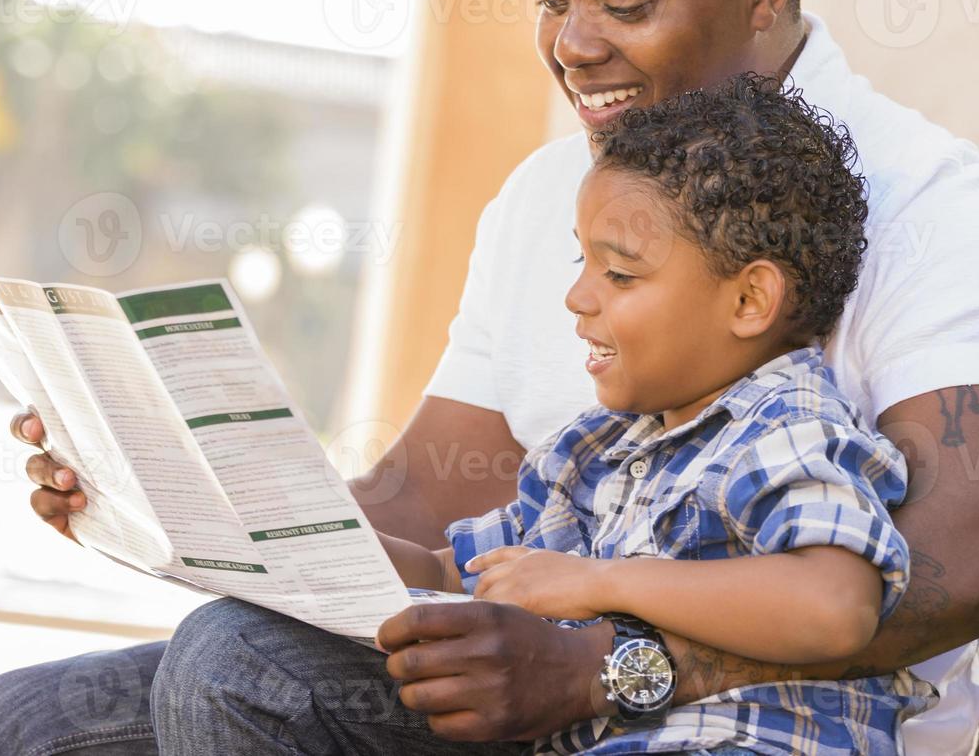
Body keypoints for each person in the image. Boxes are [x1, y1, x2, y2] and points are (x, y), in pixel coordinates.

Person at [0, 0, 979, 754]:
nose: (573, 42)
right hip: (535, 689)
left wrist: (600, 663)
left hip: (757, 719)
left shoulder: (933, 205)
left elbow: (967, 564)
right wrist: (169, 487)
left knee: (238, 670)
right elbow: (427, 497)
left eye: (624, 2)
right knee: (25, 727)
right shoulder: (547, 196)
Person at [374, 73, 938, 754]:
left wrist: (600, 580)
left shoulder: (785, 425)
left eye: (620, 274)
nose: (577, 297)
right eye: (582, 260)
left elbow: (835, 608)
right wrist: (290, 543)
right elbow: (456, 574)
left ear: (749, 300)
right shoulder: (594, 451)